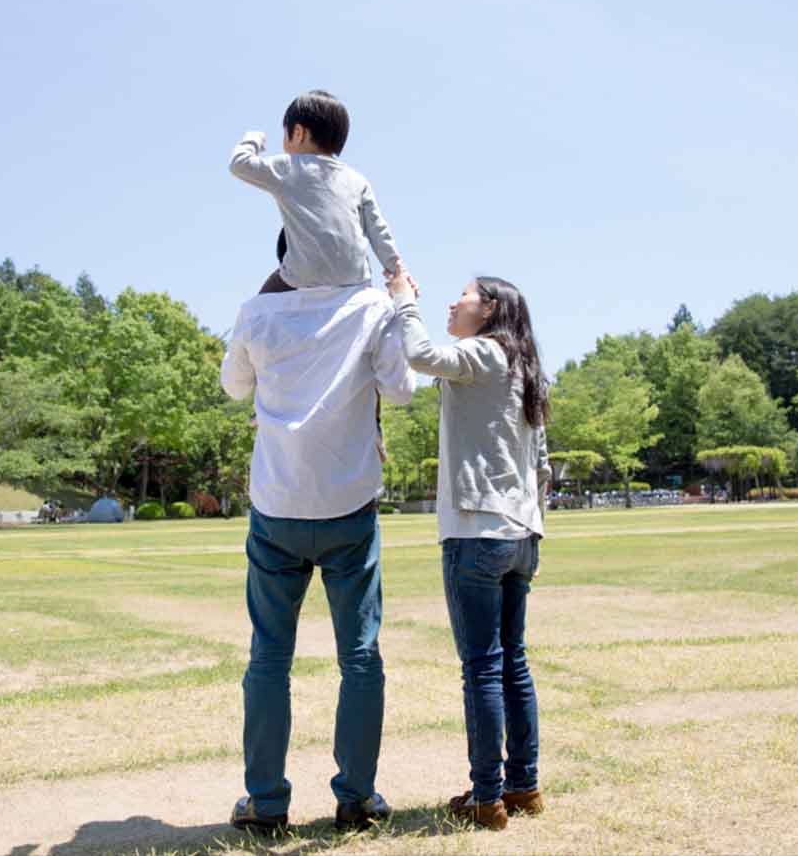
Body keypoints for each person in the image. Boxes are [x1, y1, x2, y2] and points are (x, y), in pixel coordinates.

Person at [220, 277, 415, 834]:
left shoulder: (257, 311)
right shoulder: (370, 306)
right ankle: (356, 797)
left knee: (269, 657)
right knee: (360, 656)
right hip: (348, 505)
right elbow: (402, 390)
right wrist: (401, 305)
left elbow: (234, 387)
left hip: (277, 505)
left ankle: (265, 802)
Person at [386, 266, 551, 831]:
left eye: (464, 296)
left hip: (477, 531)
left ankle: (487, 797)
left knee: (482, 667)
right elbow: (542, 466)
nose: (453, 304)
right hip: (520, 534)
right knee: (513, 664)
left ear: (491, 310)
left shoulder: (484, 352)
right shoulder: (526, 368)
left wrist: (402, 300)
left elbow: (421, 355)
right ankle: (523, 786)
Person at [229, 90, 400, 459]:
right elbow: (378, 231)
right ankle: (375, 424)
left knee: (258, 312)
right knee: (368, 353)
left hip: (301, 274)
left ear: (299, 133)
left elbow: (239, 164)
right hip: (355, 280)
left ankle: (262, 401)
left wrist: (253, 138)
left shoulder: (289, 168)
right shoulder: (356, 179)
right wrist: (396, 269)